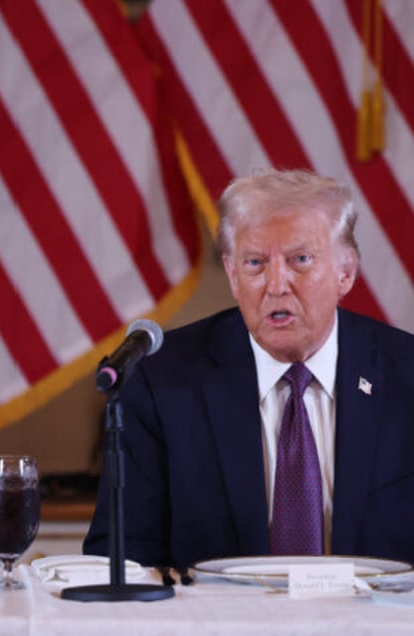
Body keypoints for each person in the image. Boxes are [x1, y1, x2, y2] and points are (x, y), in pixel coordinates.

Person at [84, 168, 414, 568]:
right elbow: (120, 559)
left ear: (346, 272)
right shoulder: (162, 381)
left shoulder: (404, 374)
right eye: (255, 263)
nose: (276, 284)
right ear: (233, 274)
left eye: (301, 260)